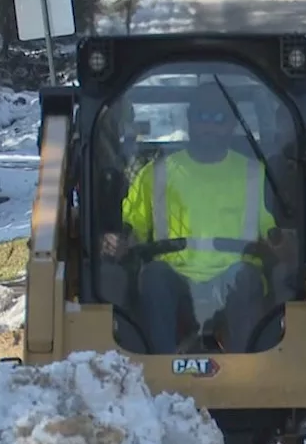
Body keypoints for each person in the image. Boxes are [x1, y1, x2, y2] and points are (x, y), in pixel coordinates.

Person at [101, 83, 285, 354]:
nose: (209, 125)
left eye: (219, 118)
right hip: (176, 279)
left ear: (232, 124)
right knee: (153, 276)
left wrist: (283, 245)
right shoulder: (156, 174)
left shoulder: (255, 174)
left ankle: (248, 372)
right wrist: (117, 242)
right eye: (202, 116)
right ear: (190, 120)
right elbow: (133, 228)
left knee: (246, 277)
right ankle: (155, 375)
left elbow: (273, 233)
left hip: (232, 278)